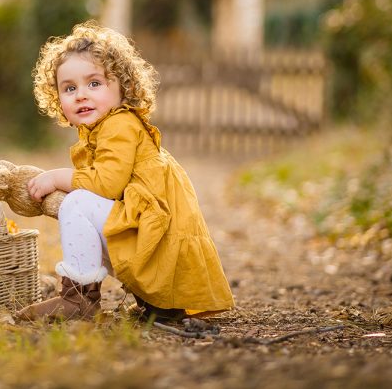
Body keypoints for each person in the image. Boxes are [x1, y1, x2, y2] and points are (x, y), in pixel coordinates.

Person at [16, 21, 234, 323]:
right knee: (85, 210)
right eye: (69, 88)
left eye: (94, 84)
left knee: (77, 203)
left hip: (155, 237)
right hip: (149, 231)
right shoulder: (102, 129)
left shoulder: (120, 125)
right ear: (58, 99)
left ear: (123, 88)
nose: (81, 95)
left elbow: (105, 184)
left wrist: (57, 178)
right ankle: (158, 304)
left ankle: (77, 299)